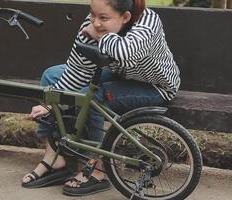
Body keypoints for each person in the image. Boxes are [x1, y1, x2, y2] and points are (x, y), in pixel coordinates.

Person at [21, 0, 180, 196]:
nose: (95, 22)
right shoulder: (94, 24)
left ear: (125, 17)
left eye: (103, 17)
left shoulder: (148, 21)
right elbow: (78, 71)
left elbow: (126, 52)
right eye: (92, 14)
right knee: (51, 76)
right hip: (120, 75)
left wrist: (97, 35)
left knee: (95, 96)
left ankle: (97, 169)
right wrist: (51, 104)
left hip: (155, 86)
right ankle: (56, 159)